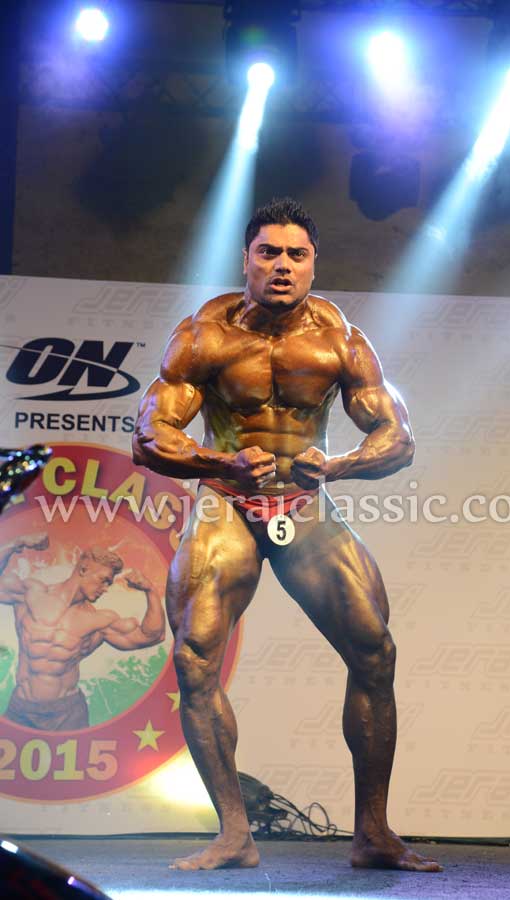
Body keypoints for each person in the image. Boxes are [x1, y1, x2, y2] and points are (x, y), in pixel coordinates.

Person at [133, 197, 441, 873]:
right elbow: (149, 437)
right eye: (268, 252)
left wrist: (340, 465)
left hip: (303, 504)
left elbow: (398, 438)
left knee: (375, 651)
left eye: (296, 254)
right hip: (226, 502)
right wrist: (219, 461)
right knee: (194, 656)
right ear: (245, 259)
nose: (281, 265)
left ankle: (373, 832)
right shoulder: (204, 337)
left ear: (313, 263)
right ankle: (234, 834)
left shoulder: (340, 340)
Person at [0, 535, 165, 731]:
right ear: (84, 569)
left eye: (109, 584)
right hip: (21, 708)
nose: (105, 589)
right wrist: (16, 544)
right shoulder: (30, 594)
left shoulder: (100, 620)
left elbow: (152, 636)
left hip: (66, 713)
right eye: (103, 580)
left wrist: (150, 590)